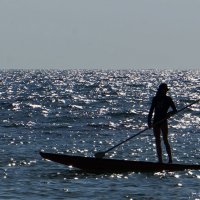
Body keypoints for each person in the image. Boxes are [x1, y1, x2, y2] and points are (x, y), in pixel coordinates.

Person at [148, 83, 177, 163]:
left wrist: (169, 114)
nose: (164, 92)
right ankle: (160, 160)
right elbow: (151, 111)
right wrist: (149, 122)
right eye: (163, 90)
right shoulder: (155, 99)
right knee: (157, 141)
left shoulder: (168, 99)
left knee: (165, 140)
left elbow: (175, 110)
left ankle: (170, 160)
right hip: (156, 121)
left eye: (165, 91)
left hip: (163, 121)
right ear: (160, 90)